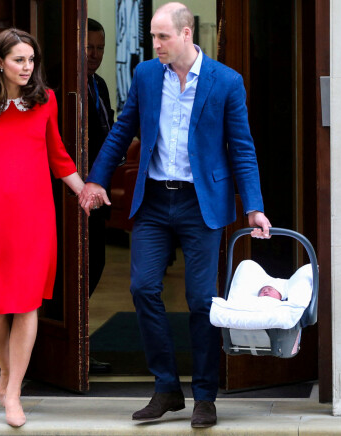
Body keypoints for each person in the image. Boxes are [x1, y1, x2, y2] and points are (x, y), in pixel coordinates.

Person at [79, 2, 271, 429]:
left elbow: (242, 147)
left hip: (201, 204)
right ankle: (166, 388)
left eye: (162, 36)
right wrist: (96, 180)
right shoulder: (148, 76)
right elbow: (121, 130)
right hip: (152, 201)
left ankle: (205, 395)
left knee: (202, 300)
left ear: (186, 35)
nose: (155, 44)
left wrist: (253, 206)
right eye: (152, 36)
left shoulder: (226, 82)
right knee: (143, 287)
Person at [0, 28, 87, 428]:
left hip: (36, 215)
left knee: (28, 302)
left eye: (31, 60)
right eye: (19, 60)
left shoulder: (44, 100)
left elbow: (58, 155)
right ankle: (6, 367)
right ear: (0, 62)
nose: (28, 67)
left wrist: (84, 191)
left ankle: (12, 394)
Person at [86, 19, 116, 374]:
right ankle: (71, 351)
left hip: (101, 191)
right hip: (72, 192)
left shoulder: (100, 85)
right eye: (88, 47)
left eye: (99, 48)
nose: (94, 55)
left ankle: (80, 347)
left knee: (97, 264)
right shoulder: (62, 86)